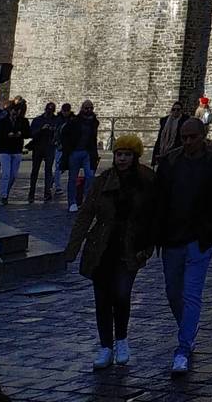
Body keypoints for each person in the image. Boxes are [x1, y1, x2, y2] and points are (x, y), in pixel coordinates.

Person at [153, 117, 212, 376]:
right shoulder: (169, 164)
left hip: (201, 237)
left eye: (192, 137)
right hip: (171, 236)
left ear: (203, 136)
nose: (188, 142)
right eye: (184, 137)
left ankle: (182, 348)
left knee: (191, 294)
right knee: (172, 292)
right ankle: (188, 330)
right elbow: (157, 202)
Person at [64, 133, 157, 369]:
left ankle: (122, 340)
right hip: (102, 247)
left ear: (134, 157)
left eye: (126, 155)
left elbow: (154, 217)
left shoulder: (147, 180)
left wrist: (148, 246)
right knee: (102, 299)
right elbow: (86, 213)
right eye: (118, 154)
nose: (122, 159)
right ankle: (106, 346)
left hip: (130, 247)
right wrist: (72, 248)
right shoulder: (103, 180)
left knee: (122, 295)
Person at [63, 100, 101, 211]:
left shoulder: (94, 122)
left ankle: (86, 201)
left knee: (90, 176)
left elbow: (93, 139)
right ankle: (72, 202)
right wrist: (68, 148)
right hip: (75, 152)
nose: (89, 110)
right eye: (86, 108)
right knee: (73, 178)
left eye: (90, 108)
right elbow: (64, 133)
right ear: (82, 109)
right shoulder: (75, 121)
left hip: (87, 152)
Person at [0, 97, 29, 205]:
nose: (15, 113)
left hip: (16, 149)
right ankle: (4, 195)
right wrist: (6, 135)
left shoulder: (23, 121)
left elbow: (28, 133)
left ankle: (6, 192)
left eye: (17, 111)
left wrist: (20, 134)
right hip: (5, 150)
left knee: (13, 175)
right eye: (13, 110)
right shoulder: (3, 121)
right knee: (6, 174)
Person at [28, 102, 59, 202]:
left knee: (48, 170)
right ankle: (31, 192)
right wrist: (42, 129)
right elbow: (32, 133)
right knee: (35, 171)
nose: (50, 111)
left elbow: (59, 133)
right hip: (38, 147)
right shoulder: (38, 120)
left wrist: (53, 131)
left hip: (49, 147)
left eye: (52, 110)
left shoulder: (56, 120)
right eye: (49, 109)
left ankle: (47, 192)